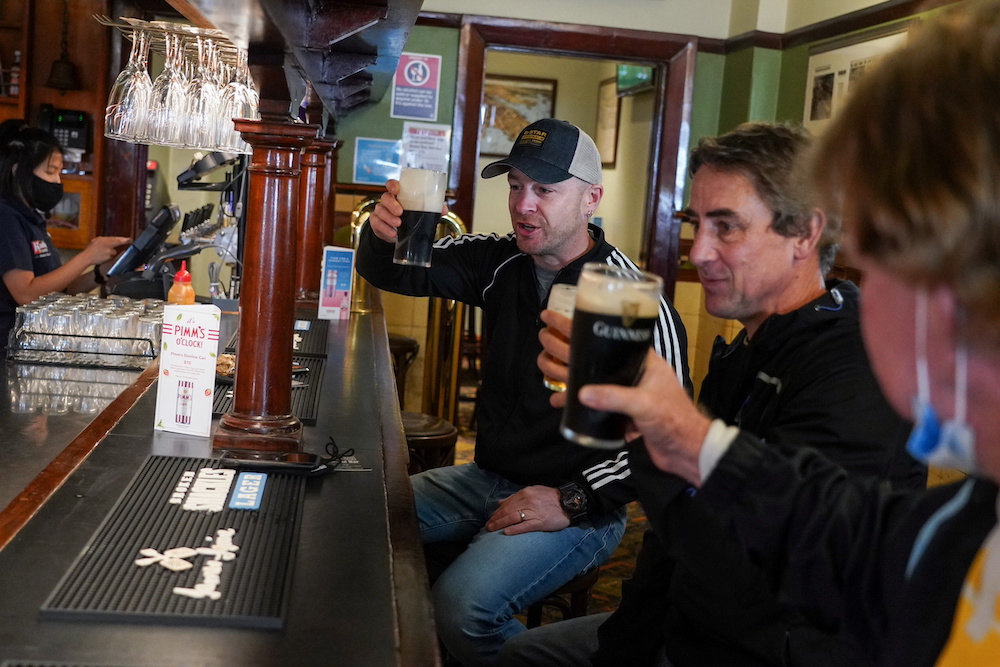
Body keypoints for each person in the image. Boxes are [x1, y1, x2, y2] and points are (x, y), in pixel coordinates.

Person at [536, 2, 1000, 665]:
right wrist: (668, 430)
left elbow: (776, 577)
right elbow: (824, 528)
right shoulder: (960, 526)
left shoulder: (849, 360)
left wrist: (673, 437)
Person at [503, 122, 925, 666]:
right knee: (519, 655)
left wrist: (666, 430)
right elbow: (674, 540)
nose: (697, 252)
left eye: (726, 227)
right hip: (686, 622)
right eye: (694, 224)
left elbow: (777, 568)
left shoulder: (863, 365)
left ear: (805, 234)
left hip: (771, 648)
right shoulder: (746, 348)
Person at [355, 118, 691, 666]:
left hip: (582, 503)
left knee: (461, 609)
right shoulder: (501, 259)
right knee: (358, 520)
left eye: (545, 189)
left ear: (591, 199)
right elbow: (398, 272)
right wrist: (381, 232)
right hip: (485, 477)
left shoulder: (629, 300)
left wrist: (572, 499)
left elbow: (668, 446)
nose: (523, 204)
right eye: (514, 185)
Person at [0, 120, 129, 349]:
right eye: (50, 172)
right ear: (18, 171)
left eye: (60, 173)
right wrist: (87, 256)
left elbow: (56, 290)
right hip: (8, 348)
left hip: (34, 344)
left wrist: (102, 271)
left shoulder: (32, 219)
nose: (58, 182)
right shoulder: (7, 217)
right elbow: (26, 294)